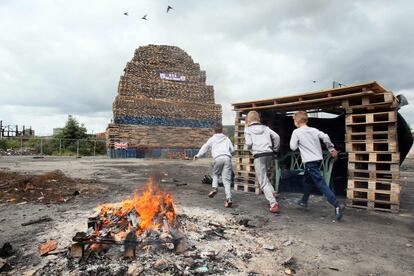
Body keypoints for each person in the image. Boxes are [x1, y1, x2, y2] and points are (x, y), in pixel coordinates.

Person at [289, 111, 344, 220]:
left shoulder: (296, 132)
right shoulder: (314, 130)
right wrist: (331, 148)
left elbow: (292, 147)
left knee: (321, 184)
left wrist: (299, 142)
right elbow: (325, 137)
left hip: (310, 163)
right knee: (306, 181)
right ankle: (304, 201)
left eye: (294, 120)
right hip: (316, 161)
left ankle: (337, 205)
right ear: (306, 120)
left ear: (297, 121)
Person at [244, 111, 280, 213]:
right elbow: (277, 137)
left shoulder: (248, 130)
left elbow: (249, 143)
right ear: (258, 119)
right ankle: (272, 193)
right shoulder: (266, 128)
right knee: (264, 176)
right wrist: (275, 149)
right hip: (269, 154)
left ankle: (273, 204)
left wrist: (250, 149)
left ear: (248, 120)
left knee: (262, 181)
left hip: (259, 155)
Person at [194, 123, 234, 208]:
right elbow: (232, 149)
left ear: (213, 131)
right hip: (227, 158)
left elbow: (205, 147)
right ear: (222, 130)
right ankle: (229, 198)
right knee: (226, 181)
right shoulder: (226, 138)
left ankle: (214, 189)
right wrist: (227, 153)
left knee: (215, 174)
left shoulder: (212, 139)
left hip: (218, 158)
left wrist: (198, 155)